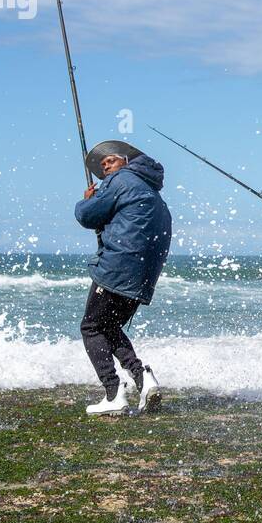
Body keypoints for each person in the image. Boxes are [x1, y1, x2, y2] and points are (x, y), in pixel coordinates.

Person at [74, 140, 172, 415]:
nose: (106, 167)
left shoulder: (122, 181)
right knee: (109, 326)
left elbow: (87, 216)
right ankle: (144, 379)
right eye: (103, 165)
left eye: (111, 161)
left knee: (91, 327)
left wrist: (87, 201)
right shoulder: (154, 195)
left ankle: (113, 393)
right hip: (142, 278)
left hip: (118, 269)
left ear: (126, 161)